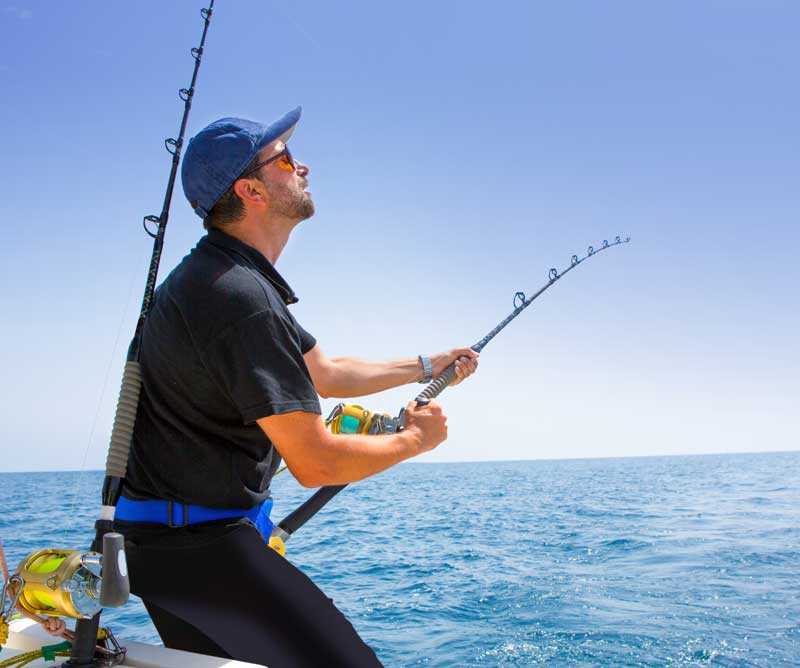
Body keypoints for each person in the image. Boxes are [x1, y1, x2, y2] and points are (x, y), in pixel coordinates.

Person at [113, 107, 479, 668]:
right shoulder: (240, 300)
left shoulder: (222, 279)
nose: (301, 165)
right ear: (250, 190)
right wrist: (416, 442)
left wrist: (428, 364)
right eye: (283, 157)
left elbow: (326, 374)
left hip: (158, 546)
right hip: (201, 549)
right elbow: (315, 462)